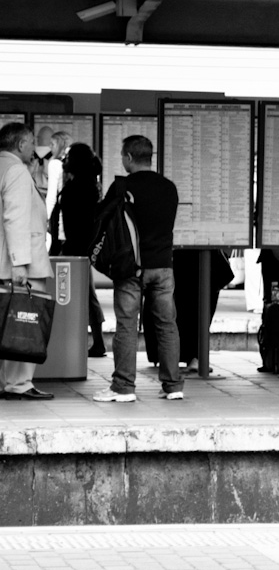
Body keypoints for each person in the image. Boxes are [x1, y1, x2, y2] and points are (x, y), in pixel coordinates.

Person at [93, 135, 182, 403]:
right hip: (164, 267)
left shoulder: (122, 187)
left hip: (132, 268)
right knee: (167, 325)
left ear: (129, 157)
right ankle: (173, 384)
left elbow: (103, 221)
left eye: (122, 156)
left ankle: (123, 387)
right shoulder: (169, 188)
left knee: (127, 326)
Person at [0, 123, 54, 400]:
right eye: (32, 143)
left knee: (4, 321)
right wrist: (19, 263)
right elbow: (16, 217)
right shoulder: (16, 171)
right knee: (23, 321)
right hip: (21, 263)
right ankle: (18, 384)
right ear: (21, 145)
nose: (34, 149)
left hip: (4, 260)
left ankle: (7, 382)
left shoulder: (4, 167)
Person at [55, 143, 107, 358]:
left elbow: (72, 223)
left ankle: (91, 342)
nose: (63, 160)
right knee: (87, 294)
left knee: (80, 295)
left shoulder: (78, 187)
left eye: (67, 157)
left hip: (75, 248)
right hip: (81, 248)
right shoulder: (90, 184)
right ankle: (97, 341)